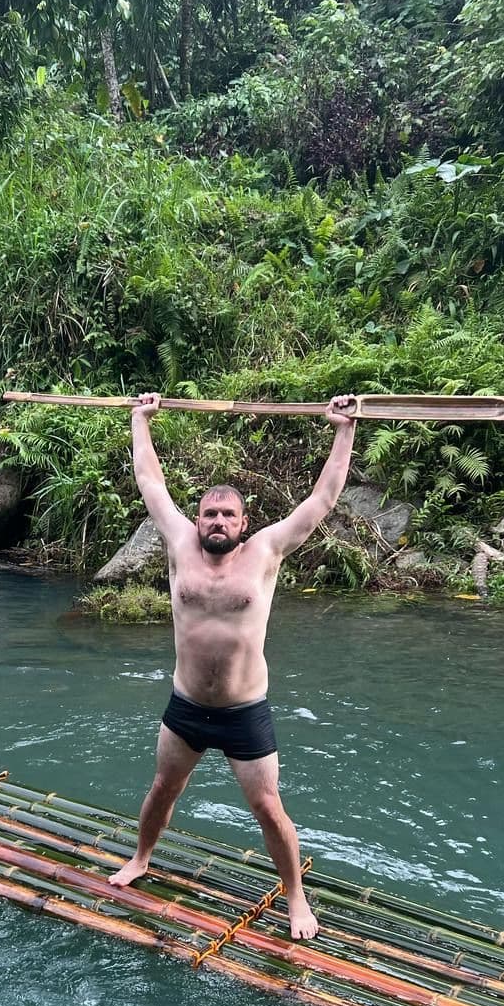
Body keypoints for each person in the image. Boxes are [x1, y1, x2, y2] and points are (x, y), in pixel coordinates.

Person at [108, 391, 358, 939]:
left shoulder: (266, 551)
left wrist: (343, 429)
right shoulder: (178, 542)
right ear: (197, 519)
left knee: (269, 809)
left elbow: (322, 500)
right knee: (161, 790)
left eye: (227, 514)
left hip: (245, 710)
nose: (217, 521)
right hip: (187, 706)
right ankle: (142, 858)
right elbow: (150, 482)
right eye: (209, 513)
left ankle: (295, 898)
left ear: (245, 521)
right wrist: (139, 418)